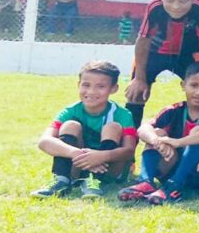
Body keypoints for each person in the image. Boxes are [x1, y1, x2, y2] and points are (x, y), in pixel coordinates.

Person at [117, 62, 199, 205]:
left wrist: (179, 142)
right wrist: (157, 140)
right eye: (194, 85)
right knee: (157, 132)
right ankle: (146, 181)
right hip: (170, 166)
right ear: (183, 85)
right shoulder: (174, 110)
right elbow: (143, 129)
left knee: (198, 134)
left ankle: (175, 187)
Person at [32, 61, 139, 198]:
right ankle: (61, 180)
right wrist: (78, 154)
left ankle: (94, 181)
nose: (91, 92)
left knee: (112, 127)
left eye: (100, 86)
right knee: (70, 125)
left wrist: (101, 156)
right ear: (78, 85)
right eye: (86, 85)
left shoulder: (122, 114)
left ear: (114, 89)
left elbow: (129, 151)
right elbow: (44, 141)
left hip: (108, 169)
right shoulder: (70, 111)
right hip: (78, 164)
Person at [124, 0, 199, 128]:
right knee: (136, 94)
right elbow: (143, 40)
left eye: (183, 0)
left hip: (187, 55)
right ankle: (127, 144)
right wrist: (139, 78)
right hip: (154, 53)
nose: (176, 6)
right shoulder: (154, 6)